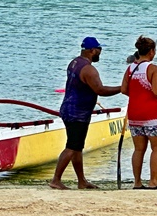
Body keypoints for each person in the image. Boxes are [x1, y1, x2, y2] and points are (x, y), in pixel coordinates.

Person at [50, 37, 121, 190]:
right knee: (72, 146)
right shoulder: (89, 69)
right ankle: (56, 180)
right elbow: (100, 90)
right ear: (92, 50)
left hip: (68, 108)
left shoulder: (74, 62)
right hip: (78, 113)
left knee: (77, 147)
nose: (100, 54)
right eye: (99, 51)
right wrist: (122, 88)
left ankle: (81, 181)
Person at [121, 36, 157, 189]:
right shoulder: (153, 68)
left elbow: (124, 90)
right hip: (151, 114)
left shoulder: (130, 68)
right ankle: (153, 181)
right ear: (151, 51)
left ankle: (137, 182)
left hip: (134, 113)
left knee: (138, 149)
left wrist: (138, 96)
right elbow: (156, 91)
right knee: (156, 148)